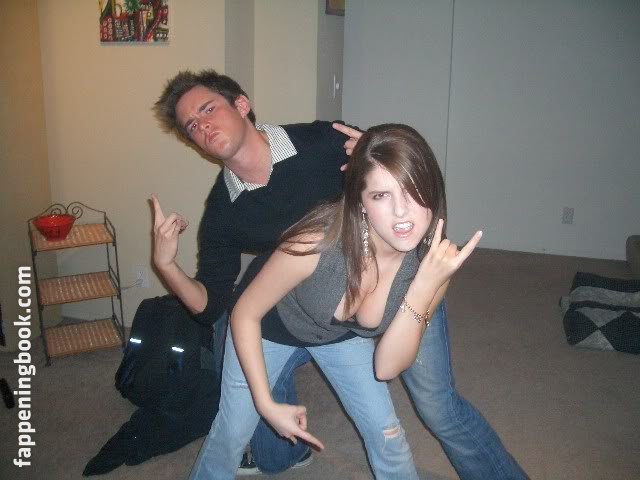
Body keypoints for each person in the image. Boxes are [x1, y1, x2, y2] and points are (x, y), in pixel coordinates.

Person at [153, 69, 528, 479]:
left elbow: (390, 159)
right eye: (192, 125)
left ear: (241, 105)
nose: (203, 125)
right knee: (243, 431)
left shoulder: (323, 142)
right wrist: (166, 266)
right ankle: (278, 447)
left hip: (357, 308)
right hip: (282, 311)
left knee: (433, 411)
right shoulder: (225, 212)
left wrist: (372, 150)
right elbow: (216, 306)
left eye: (208, 109)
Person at [190, 123, 482, 479]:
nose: (402, 212)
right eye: (381, 195)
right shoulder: (316, 242)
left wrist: (423, 289)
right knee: (232, 432)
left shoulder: (432, 265)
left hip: (337, 335)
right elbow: (245, 314)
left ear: (433, 191)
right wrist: (266, 404)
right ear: (361, 202)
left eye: (413, 189)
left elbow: (386, 368)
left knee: (388, 436)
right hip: (269, 326)